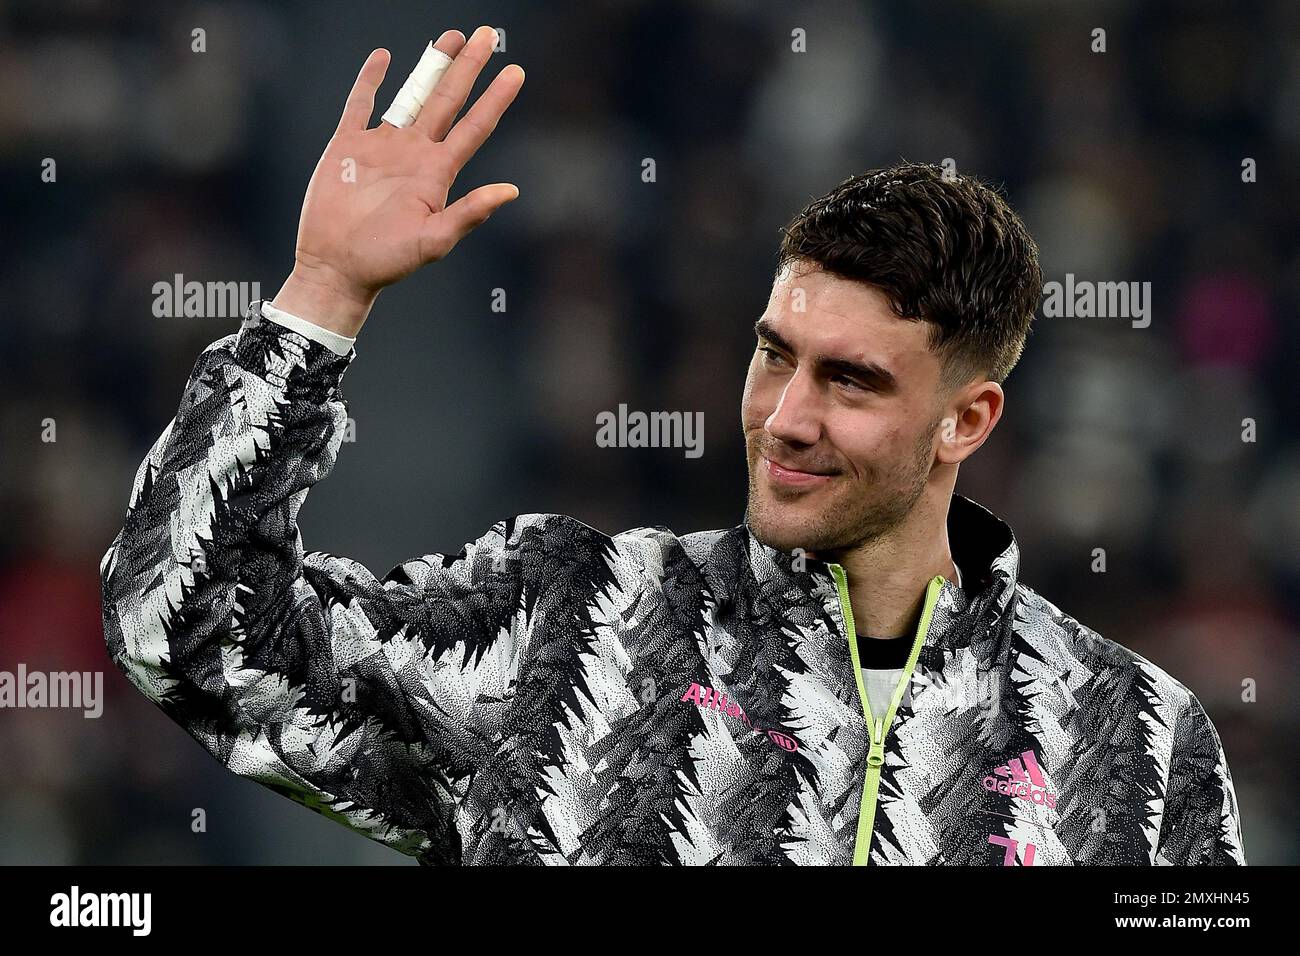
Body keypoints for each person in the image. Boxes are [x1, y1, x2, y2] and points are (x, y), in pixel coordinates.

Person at [100, 26, 1245, 865]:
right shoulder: (566, 624)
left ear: (967, 420)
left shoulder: (1134, 742)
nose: (785, 414)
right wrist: (321, 293)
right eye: (774, 353)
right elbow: (193, 638)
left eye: (848, 379)